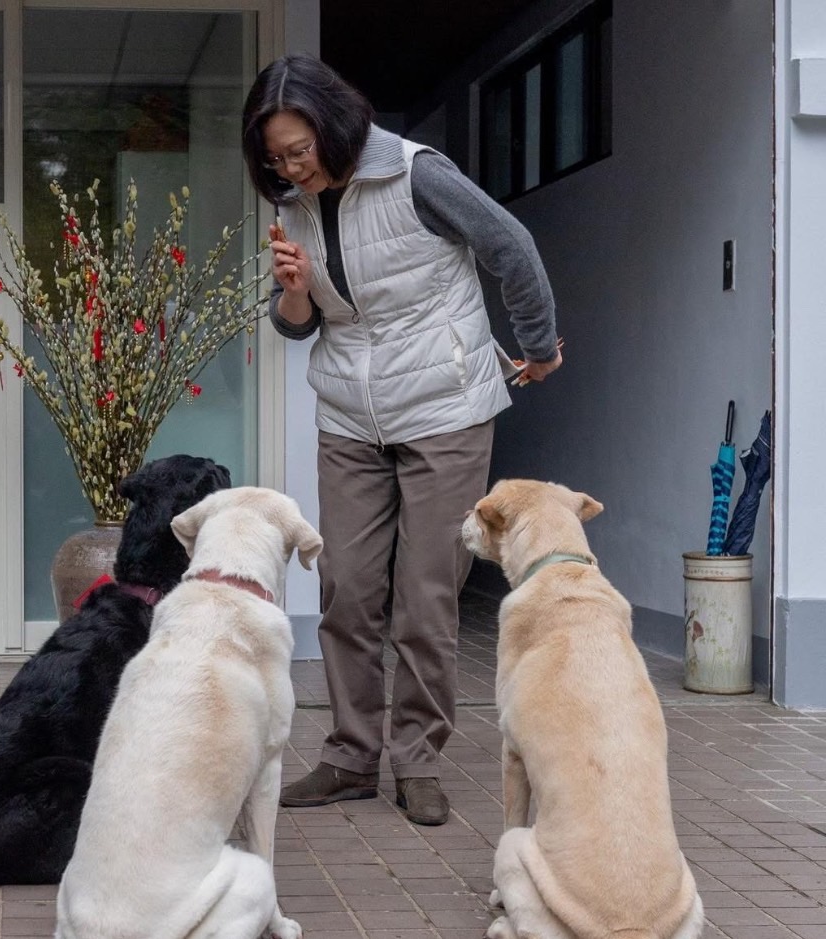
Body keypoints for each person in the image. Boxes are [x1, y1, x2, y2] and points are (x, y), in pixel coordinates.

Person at [241, 54, 562, 826]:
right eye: (275, 159)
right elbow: (300, 325)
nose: (289, 168)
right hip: (350, 412)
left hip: (445, 406)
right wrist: (289, 292)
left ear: (333, 122)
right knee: (345, 586)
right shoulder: (296, 205)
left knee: (425, 594)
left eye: (298, 150)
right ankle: (352, 754)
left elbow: (510, 244)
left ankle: (417, 757)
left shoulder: (418, 175)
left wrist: (539, 343)